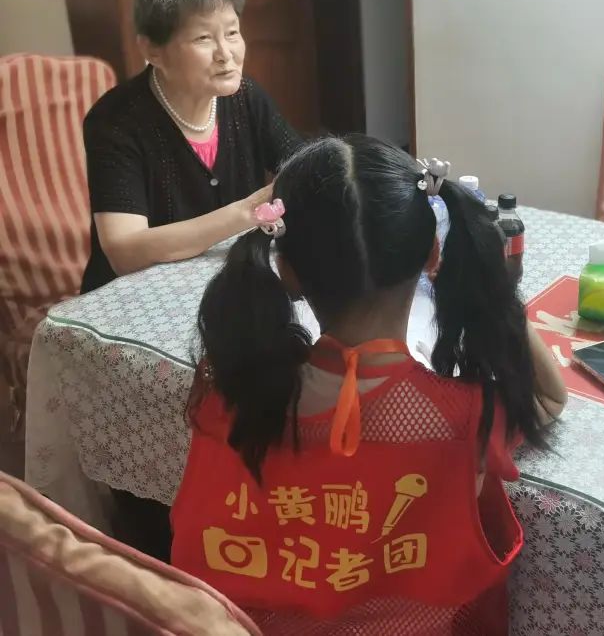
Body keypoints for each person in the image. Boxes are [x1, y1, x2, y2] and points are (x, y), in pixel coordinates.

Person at [170, 135, 567, 634]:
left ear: (286, 269)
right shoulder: (461, 416)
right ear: (432, 255)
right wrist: (496, 291)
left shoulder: (225, 389)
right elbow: (549, 397)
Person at [80, 0, 301, 294]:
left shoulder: (245, 97)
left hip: (222, 285)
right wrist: (245, 213)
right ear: (153, 50)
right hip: (136, 296)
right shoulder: (115, 121)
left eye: (232, 33)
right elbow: (124, 251)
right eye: (203, 38)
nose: (225, 54)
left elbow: (303, 165)